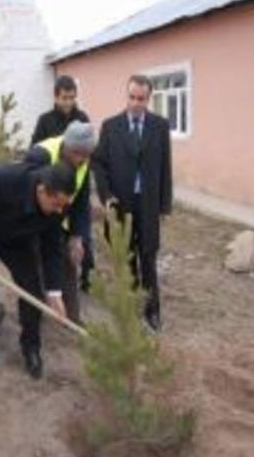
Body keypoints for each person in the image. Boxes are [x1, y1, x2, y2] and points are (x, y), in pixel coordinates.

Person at [0, 161, 76, 379]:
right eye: (56, 204)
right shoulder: (2, 179)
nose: (60, 210)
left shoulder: (59, 204)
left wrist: (55, 291)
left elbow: (52, 249)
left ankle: (31, 347)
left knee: (31, 290)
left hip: (15, 239)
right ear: (41, 190)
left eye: (63, 205)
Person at [91, 74, 173, 332]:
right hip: (120, 206)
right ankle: (130, 308)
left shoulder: (159, 126)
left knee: (148, 258)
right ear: (126, 96)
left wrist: (163, 206)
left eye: (142, 99)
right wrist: (106, 197)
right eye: (132, 97)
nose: (136, 103)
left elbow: (165, 167)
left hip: (148, 205)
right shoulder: (110, 126)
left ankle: (152, 311)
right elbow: (99, 163)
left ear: (149, 98)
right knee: (126, 260)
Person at [23, 121, 96, 324]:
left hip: (58, 222)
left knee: (69, 264)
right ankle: (36, 317)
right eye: (78, 154)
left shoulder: (83, 162)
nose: (82, 160)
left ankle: (71, 319)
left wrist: (77, 236)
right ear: (66, 146)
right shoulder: (40, 156)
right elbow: (26, 195)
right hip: (34, 223)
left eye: (87, 155)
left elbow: (81, 202)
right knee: (35, 266)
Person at [30, 75, 95, 292]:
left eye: (72, 98)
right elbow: (34, 162)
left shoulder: (83, 119)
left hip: (73, 197)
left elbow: (83, 183)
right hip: (51, 195)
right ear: (56, 97)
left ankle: (83, 281)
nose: (68, 102)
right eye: (65, 98)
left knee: (80, 245)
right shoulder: (45, 121)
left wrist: (78, 234)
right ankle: (46, 289)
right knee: (49, 249)